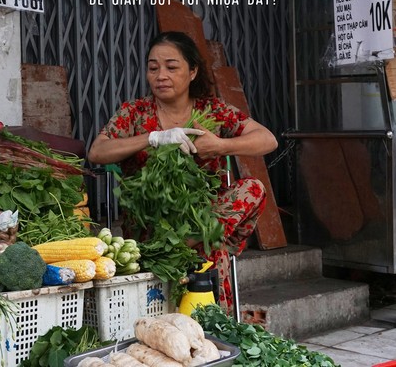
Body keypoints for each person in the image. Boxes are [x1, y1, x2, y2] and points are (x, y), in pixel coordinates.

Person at [87, 31, 278, 315]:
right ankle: (220, 327)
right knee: (215, 249)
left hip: (202, 219)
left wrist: (221, 145)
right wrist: (152, 138)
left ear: (192, 71)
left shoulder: (211, 111)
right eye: (153, 68)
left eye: (171, 67)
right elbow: (97, 152)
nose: (160, 75)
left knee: (252, 189)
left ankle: (182, 248)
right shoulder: (136, 113)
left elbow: (267, 139)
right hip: (150, 228)